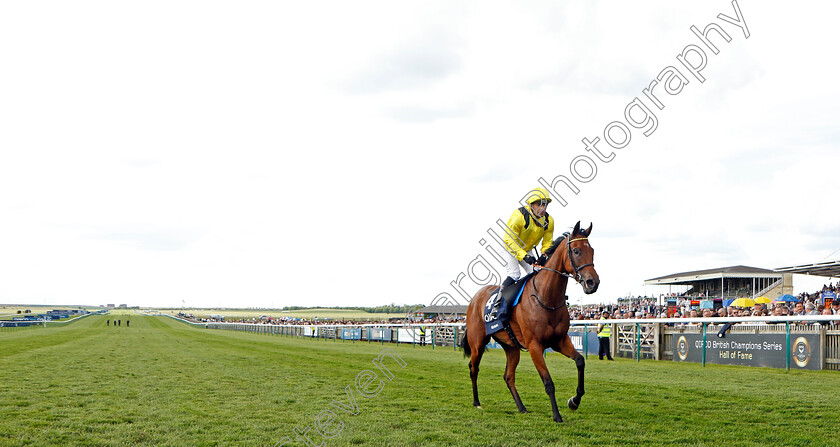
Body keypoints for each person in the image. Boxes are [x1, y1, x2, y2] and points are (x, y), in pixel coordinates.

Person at [500, 187, 555, 292]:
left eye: (545, 205)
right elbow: (509, 240)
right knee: (514, 274)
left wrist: (545, 254)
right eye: (539, 205)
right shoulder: (518, 216)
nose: (542, 208)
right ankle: (498, 303)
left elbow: (548, 242)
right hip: (509, 247)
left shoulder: (549, 221)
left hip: (526, 249)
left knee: (538, 273)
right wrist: (524, 256)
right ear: (531, 205)